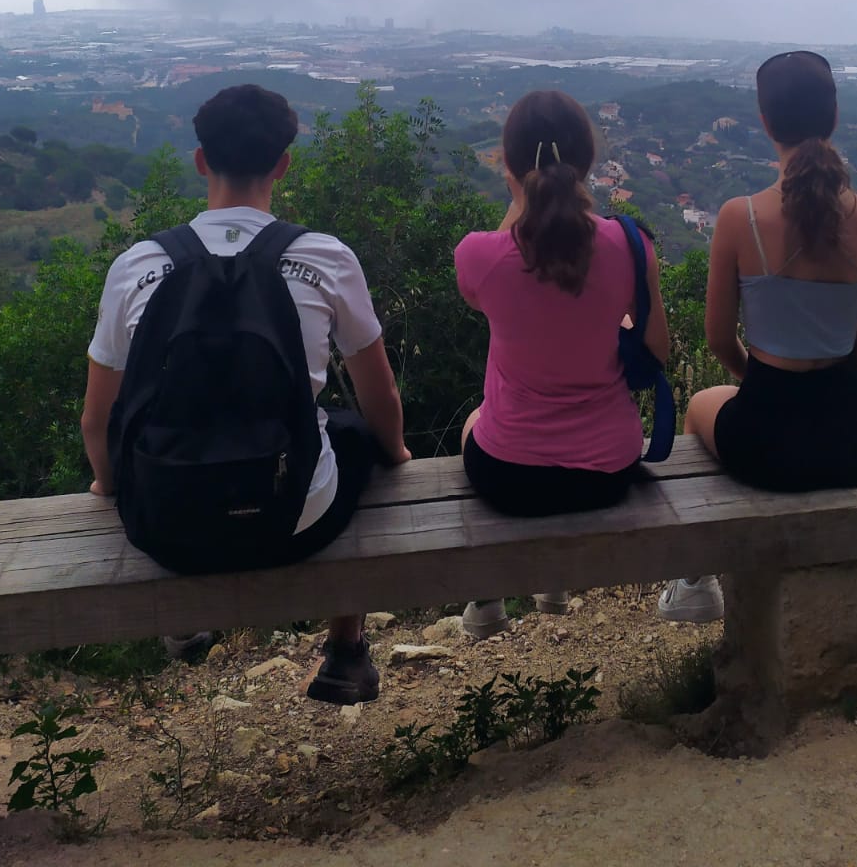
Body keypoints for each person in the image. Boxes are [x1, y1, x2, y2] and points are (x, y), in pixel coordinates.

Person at [81, 83, 409, 705]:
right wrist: (394, 453)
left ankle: (185, 619)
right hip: (292, 519)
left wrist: (109, 485)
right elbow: (380, 396)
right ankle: (345, 648)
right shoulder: (326, 258)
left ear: (200, 161)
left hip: (166, 525)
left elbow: (96, 420)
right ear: (282, 165)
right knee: (350, 434)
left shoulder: (136, 267)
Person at [658, 50, 857, 624]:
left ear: (765, 122)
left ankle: (694, 583)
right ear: (834, 117)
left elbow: (719, 339)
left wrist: (762, 382)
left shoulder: (739, 217)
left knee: (699, 405)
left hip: (764, 445)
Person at [454, 88, 670, 638]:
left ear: (508, 167)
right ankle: (551, 586)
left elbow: (489, 290)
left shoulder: (479, 254)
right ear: (588, 164)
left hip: (509, 476)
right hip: (609, 470)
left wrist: (522, 198)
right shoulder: (632, 245)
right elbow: (658, 350)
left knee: (474, 421)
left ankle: (487, 598)